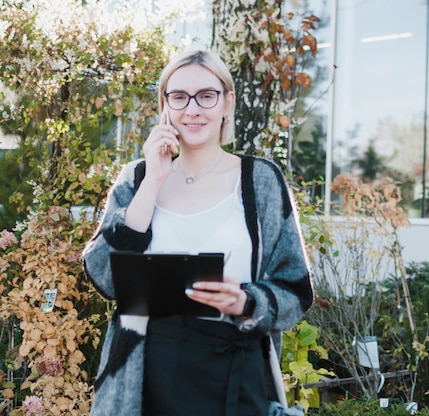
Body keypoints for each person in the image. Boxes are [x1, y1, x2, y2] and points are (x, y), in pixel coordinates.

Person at [82, 49, 313, 416]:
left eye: (206, 95)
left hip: (234, 370)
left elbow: (295, 290)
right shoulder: (137, 179)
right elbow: (106, 279)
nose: (192, 109)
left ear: (227, 102)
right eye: (179, 97)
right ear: (165, 105)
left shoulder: (261, 181)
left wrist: (245, 301)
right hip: (145, 374)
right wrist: (155, 179)